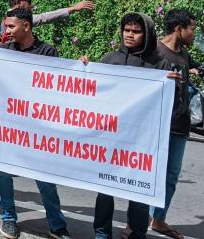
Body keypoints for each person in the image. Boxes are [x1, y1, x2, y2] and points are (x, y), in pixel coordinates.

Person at [81, 12, 177, 239]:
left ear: (147, 34)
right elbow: (91, 92)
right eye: (127, 30)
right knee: (104, 190)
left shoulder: (160, 64)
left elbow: (170, 105)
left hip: (142, 140)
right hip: (110, 137)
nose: (130, 35)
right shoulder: (109, 59)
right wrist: (85, 68)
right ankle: (102, 232)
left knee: (140, 192)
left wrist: (174, 86)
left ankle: (137, 232)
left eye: (136, 31)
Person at [0, 8, 71, 239]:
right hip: (11, 125)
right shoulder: (4, 50)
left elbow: (59, 85)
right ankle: (8, 218)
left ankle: (56, 224)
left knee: (45, 177)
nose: (6, 30)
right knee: (4, 173)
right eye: (6, 26)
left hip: (38, 127)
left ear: (26, 27)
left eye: (11, 26)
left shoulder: (48, 52)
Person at [149, 9, 198, 239]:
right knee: (148, 173)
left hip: (179, 123)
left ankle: (158, 219)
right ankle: (136, 222)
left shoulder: (184, 54)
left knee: (171, 175)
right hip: (157, 123)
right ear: (179, 29)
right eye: (192, 28)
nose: (194, 33)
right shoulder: (155, 51)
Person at [8, 0, 93, 26]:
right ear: (18, 2)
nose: (31, 6)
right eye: (29, 2)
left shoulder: (9, 17)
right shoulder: (18, 19)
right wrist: (73, 8)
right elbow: (45, 17)